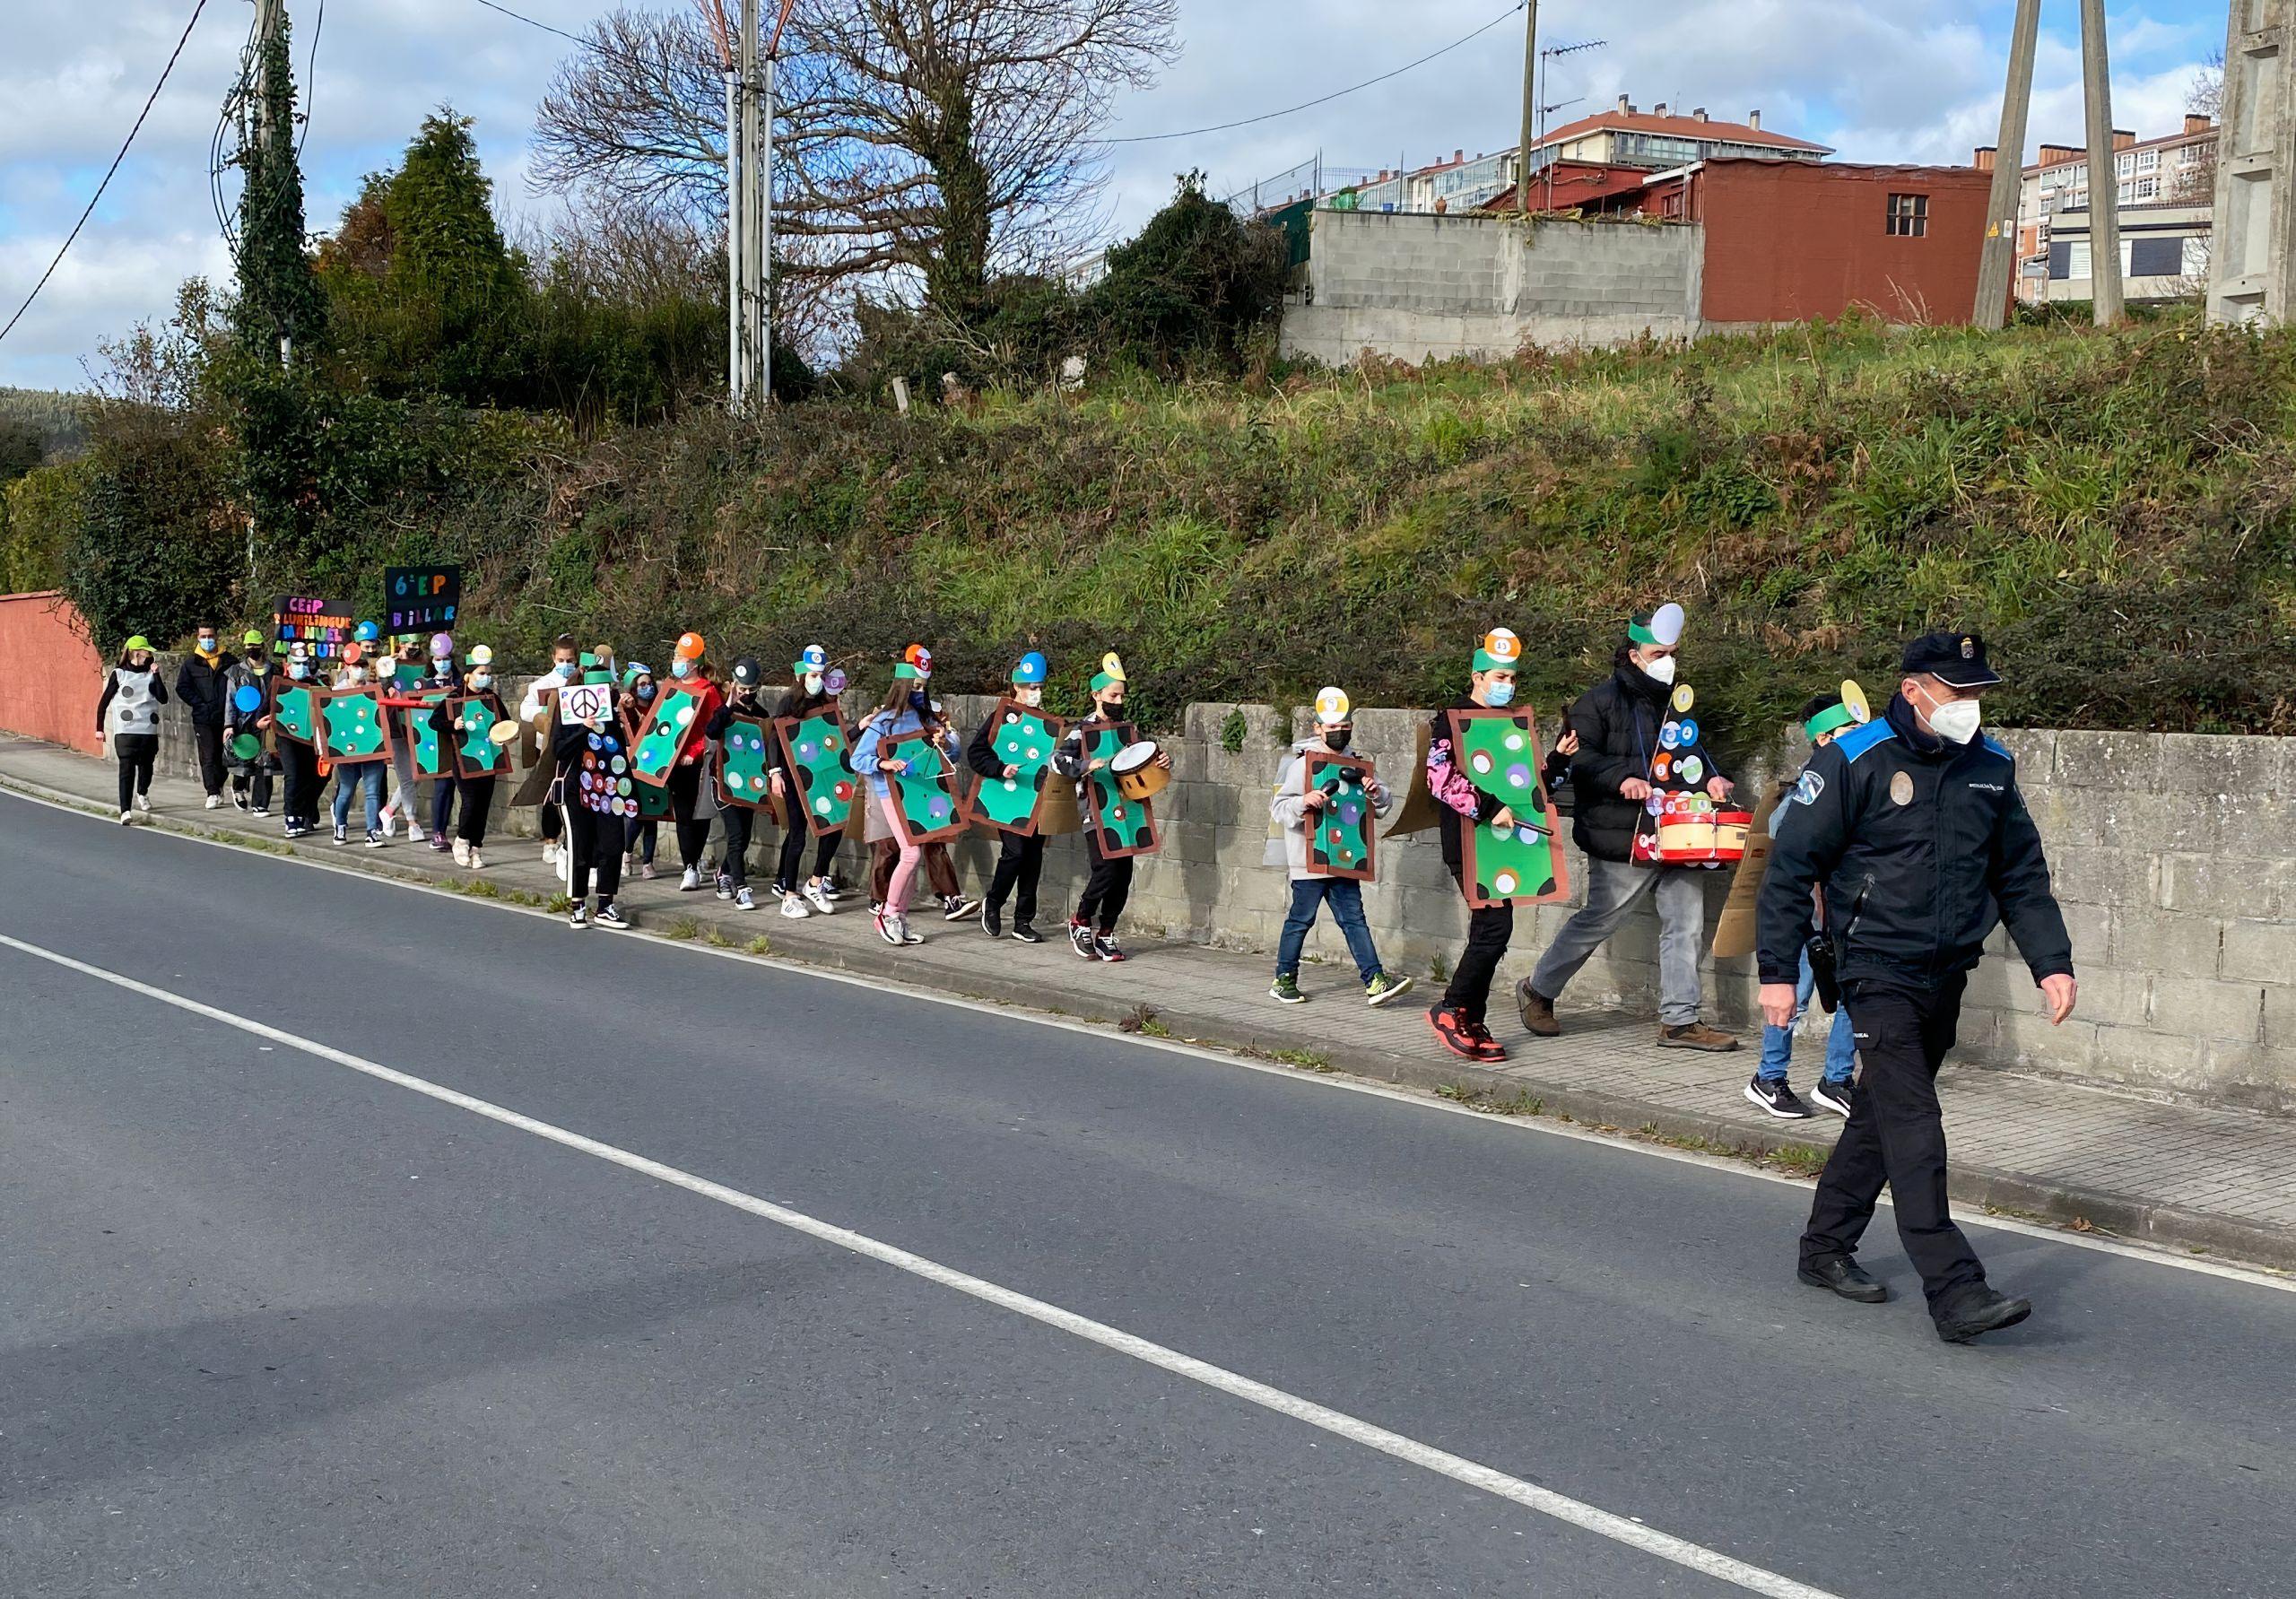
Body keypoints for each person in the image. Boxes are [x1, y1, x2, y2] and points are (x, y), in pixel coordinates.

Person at [1760, 631, 2075, 1343]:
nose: (1970, 706)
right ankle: (1955, 1288)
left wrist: (2051, 960)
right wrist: (1778, 974)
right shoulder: (1853, 759)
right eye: (1957, 692)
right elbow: (1788, 871)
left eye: (1978, 693)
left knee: (1878, 1115)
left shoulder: (1990, 766)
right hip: (1874, 967)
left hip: (1945, 970)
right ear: (1913, 689)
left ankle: (1823, 1246)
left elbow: (2020, 874)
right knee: (1914, 1126)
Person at [1519, 603, 1740, 1051]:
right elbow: (1580, 759)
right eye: (1660, 653)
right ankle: (1537, 989)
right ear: (1635, 654)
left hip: (1679, 833)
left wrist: (1712, 778)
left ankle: (1679, 1022)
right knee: (1599, 919)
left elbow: (1692, 756)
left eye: (1673, 652)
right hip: (1620, 833)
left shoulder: (1680, 705)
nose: (1669, 661)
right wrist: (1622, 780)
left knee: (1686, 922)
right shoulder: (1597, 702)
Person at [1744, 693, 1866, 1121]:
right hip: (1812, 920)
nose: (1860, 739)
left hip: (1849, 918)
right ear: (1825, 738)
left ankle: (1836, 1080)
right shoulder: (1812, 786)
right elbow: (1786, 835)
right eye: (1850, 732)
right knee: (1791, 997)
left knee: (1855, 995)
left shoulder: (1863, 777)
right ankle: (1768, 1077)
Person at [1266, 687, 1413, 1007]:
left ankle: (1374, 980)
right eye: (1331, 727)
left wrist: (1376, 793)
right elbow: (1278, 808)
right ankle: (1284, 979)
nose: (1339, 732)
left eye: (1344, 726)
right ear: (1317, 727)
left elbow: (1378, 804)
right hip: (1309, 858)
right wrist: (1303, 802)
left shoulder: (1356, 764)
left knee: (1354, 919)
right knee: (1301, 919)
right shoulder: (1302, 765)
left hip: (1345, 856)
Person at [1423, 628, 1530, 1060]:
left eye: (1512, 678)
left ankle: (1471, 1016)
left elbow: (1527, 779)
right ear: (1477, 676)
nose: (1507, 685)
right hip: (1469, 840)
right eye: (1499, 677)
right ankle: (1451, 1009)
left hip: (1502, 844)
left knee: (1491, 930)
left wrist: (1558, 757)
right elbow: (1439, 777)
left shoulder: (1510, 723)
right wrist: (1486, 807)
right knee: (1494, 928)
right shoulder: (1450, 719)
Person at [1051, 652, 1167, 962]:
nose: (1118, 700)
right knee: (1105, 870)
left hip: (1128, 809)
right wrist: (1088, 765)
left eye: (1121, 695)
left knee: (1123, 876)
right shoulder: (1083, 730)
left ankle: (1107, 933)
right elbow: (1057, 760)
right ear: (1097, 695)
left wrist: (1160, 761)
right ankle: (1082, 920)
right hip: (1095, 811)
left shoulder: (1126, 731)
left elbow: (1141, 759)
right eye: (1113, 694)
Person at [852, 646, 969, 946]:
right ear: (903, 687)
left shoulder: (924, 718)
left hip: (918, 794)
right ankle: (887, 914)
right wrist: (883, 763)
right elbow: (857, 759)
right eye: (915, 687)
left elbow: (950, 755)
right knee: (911, 853)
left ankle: (900, 918)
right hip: (889, 792)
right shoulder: (884, 720)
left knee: (912, 859)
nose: (920, 692)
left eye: (923, 687)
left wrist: (946, 740)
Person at [965, 651, 1054, 943]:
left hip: (1034, 799)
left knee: (1033, 858)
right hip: (1007, 799)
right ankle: (994, 901)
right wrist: (1001, 768)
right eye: (1030, 686)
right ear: (1016, 686)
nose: (1035, 692)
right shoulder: (1000, 717)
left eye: (1039, 687)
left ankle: (1023, 920)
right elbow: (976, 753)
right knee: (1014, 853)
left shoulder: (1044, 724)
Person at [769, 645, 844, 918]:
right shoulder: (788, 702)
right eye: (812, 675)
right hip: (795, 778)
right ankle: (789, 895)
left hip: (824, 776)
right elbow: (775, 737)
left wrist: (863, 725)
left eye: (820, 675)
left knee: (834, 827)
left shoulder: (827, 702)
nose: (816, 680)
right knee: (797, 836)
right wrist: (775, 772)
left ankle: (815, 882)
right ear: (802, 676)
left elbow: (837, 738)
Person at [554, 674, 631, 930]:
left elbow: (620, 750)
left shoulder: (610, 713)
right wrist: (583, 728)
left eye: (608, 687)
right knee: (581, 847)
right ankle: (577, 905)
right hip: (576, 790)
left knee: (613, 845)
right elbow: (559, 750)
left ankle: (605, 905)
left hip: (607, 789)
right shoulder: (567, 710)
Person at [706, 656, 770, 909]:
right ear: (733, 685)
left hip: (749, 783)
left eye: (750, 690)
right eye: (741, 689)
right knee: (735, 835)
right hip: (723, 782)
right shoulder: (725, 710)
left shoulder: (762, 715)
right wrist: (729, 706)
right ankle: (741, 888)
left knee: (742, 839)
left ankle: (723, 872)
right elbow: (711, 731)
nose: (745, 694)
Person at [664, 631, 726, 891]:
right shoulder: (672, 689)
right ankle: (689, 865)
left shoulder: (708, 691)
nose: (677, 661)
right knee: (682, 815)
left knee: (699, 815)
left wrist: (697, 752)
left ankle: (695, 860)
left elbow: (713, 728)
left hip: (698, 763)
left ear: (694, 663)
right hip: (674, 763)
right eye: (676, 656)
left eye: (682, 657)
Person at [434, 644, 505, 868]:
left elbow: (505, 722)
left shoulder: (491, 697)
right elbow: (434, 722)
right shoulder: (454, 697)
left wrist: (506, 735)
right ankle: (462, 840)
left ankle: (477, 848)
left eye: (488, 673)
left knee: (484, 804)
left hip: (489, 758)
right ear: (468, 676)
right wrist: (452, 724)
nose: (486, 677)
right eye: (481, 673)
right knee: (471, 800)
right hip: (463, 757)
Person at [519, 635, 581, 868]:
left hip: (574, 746)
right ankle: (550, 841)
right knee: (550, 795)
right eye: (561, 660)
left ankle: (570, 841)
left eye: (570, 660)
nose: (565, 665)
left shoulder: (580, 682)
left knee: (571, 795)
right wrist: (544, 714)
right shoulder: (541, 685)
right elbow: (526, 710)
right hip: (547, 747)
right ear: (553, 658)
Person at [96, 635, 168, 824]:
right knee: (126, 770)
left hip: (148, 730)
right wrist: (99, 729)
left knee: (147, 767)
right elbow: (103, 703)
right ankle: (125, 811)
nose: (150, 653)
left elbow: (163, 698)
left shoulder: (150, 674)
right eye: (147, 651)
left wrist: (157, 675)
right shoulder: (119, 674)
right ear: (137, 652)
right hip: (126, 731)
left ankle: (142, 792)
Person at [328, 646, 387, 848]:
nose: (360, 669)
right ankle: (340, 825)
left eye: (363, 665)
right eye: (356, 665)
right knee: (346, 790)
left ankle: (371, 832)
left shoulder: (375, 690)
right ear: (347, 667)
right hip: (349, 751)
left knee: (373, 792)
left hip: (372, 748)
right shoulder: (337, 692)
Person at [174, 624, 231, 809]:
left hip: (225, 716)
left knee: (224, 755)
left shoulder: (229, 661)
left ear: (217, 636)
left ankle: (220, 784)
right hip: (203, 717)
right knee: (208, 754)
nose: (207, 640)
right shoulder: (191, 663)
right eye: (203, 636)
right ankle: (212, 791)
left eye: (210, 636)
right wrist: (199, 703)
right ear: (198, 638)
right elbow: (182, 687)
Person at [271, 645, 323, 839]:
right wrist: (262, 720)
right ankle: (291, 817)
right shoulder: (280, 684)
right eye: (296, 663)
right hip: (286, 737)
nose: (300, 667)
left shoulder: (315, 683)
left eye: (304, 663)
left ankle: (305, 812)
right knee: (293, 774)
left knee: (312, 776)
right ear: (288, 664)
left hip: (309, 739)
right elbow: (266, 710)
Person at [224, 630, 276, 816]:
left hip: (267, 722)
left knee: (265, 761)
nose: (252, 649)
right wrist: (228, 725)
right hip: (243, 722)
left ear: (263, 647)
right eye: (249, 646)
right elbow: (230, 700)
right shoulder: (236, 672)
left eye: (255, 645)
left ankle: (261, 804)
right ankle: (238, 789)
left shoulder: (274, 670)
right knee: (244, 760)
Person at [420, 632, 464, 851]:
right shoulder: (426, 685)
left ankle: (461, 834)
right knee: (443, 787)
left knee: (459, 788)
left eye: (446, 659)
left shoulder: (460, 684)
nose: (442, 663)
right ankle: (438, 832)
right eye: (438, 659)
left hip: (462, 743)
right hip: (438, 743)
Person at [619, 663, 663, 881]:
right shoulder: (630, 708)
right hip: (634, 768)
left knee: (652, 815)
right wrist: (626, 706)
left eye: (649, 683)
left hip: (655, 766)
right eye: (642, 684)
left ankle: (648, 862)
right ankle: (626, 854)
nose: (648, 687)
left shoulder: (660, 706)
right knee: (634, 815)